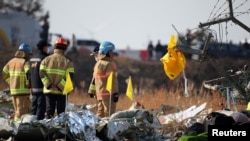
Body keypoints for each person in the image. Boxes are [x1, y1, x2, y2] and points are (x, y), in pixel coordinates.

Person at [40, 37, 75, 119]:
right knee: (61, 114)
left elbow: (41, 73)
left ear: (55, 47)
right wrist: (59, 86)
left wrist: (48, 84)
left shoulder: (46, 59)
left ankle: (48, 129)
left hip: (49, 90)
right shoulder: (68, 61)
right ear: (65, 48)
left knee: (49, 112)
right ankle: (59, 130)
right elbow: (70, 77)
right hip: (61, 92)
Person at [2, 43, 32, 121]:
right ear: (26, 53)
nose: (30, 56)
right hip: (23, 92)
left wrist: (11, 82)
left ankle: (15, 127)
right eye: (29, 54)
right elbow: (29, 74)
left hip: (13, 91)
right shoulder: (25, 62)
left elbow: (4, 72)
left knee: (17, 111)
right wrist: (29, 85)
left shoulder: (11, 62)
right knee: (21, 113)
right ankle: (18, 129)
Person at [94, 41, 119, 118]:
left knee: (100, 115)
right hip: (108, 95)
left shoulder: (98, 63)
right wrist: (115, 93)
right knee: (109, 115)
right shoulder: (109, 64)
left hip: (99, 95)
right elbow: (112, 80)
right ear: (107, 52)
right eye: (111, 51)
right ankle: (107, 130)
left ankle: (96, 129)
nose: (113, 54)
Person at [28, 40, 51, 120]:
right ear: (43, 48)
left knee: (34, 109)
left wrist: (30, 86)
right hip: (42, 88)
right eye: (47, 47)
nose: (48, 49)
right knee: (41, 110)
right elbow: (46, 73)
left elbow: (29, 74)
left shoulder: (32, 59)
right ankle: (37, 127)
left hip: (33, 88)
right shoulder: (45, 59)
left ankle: (31, 123)